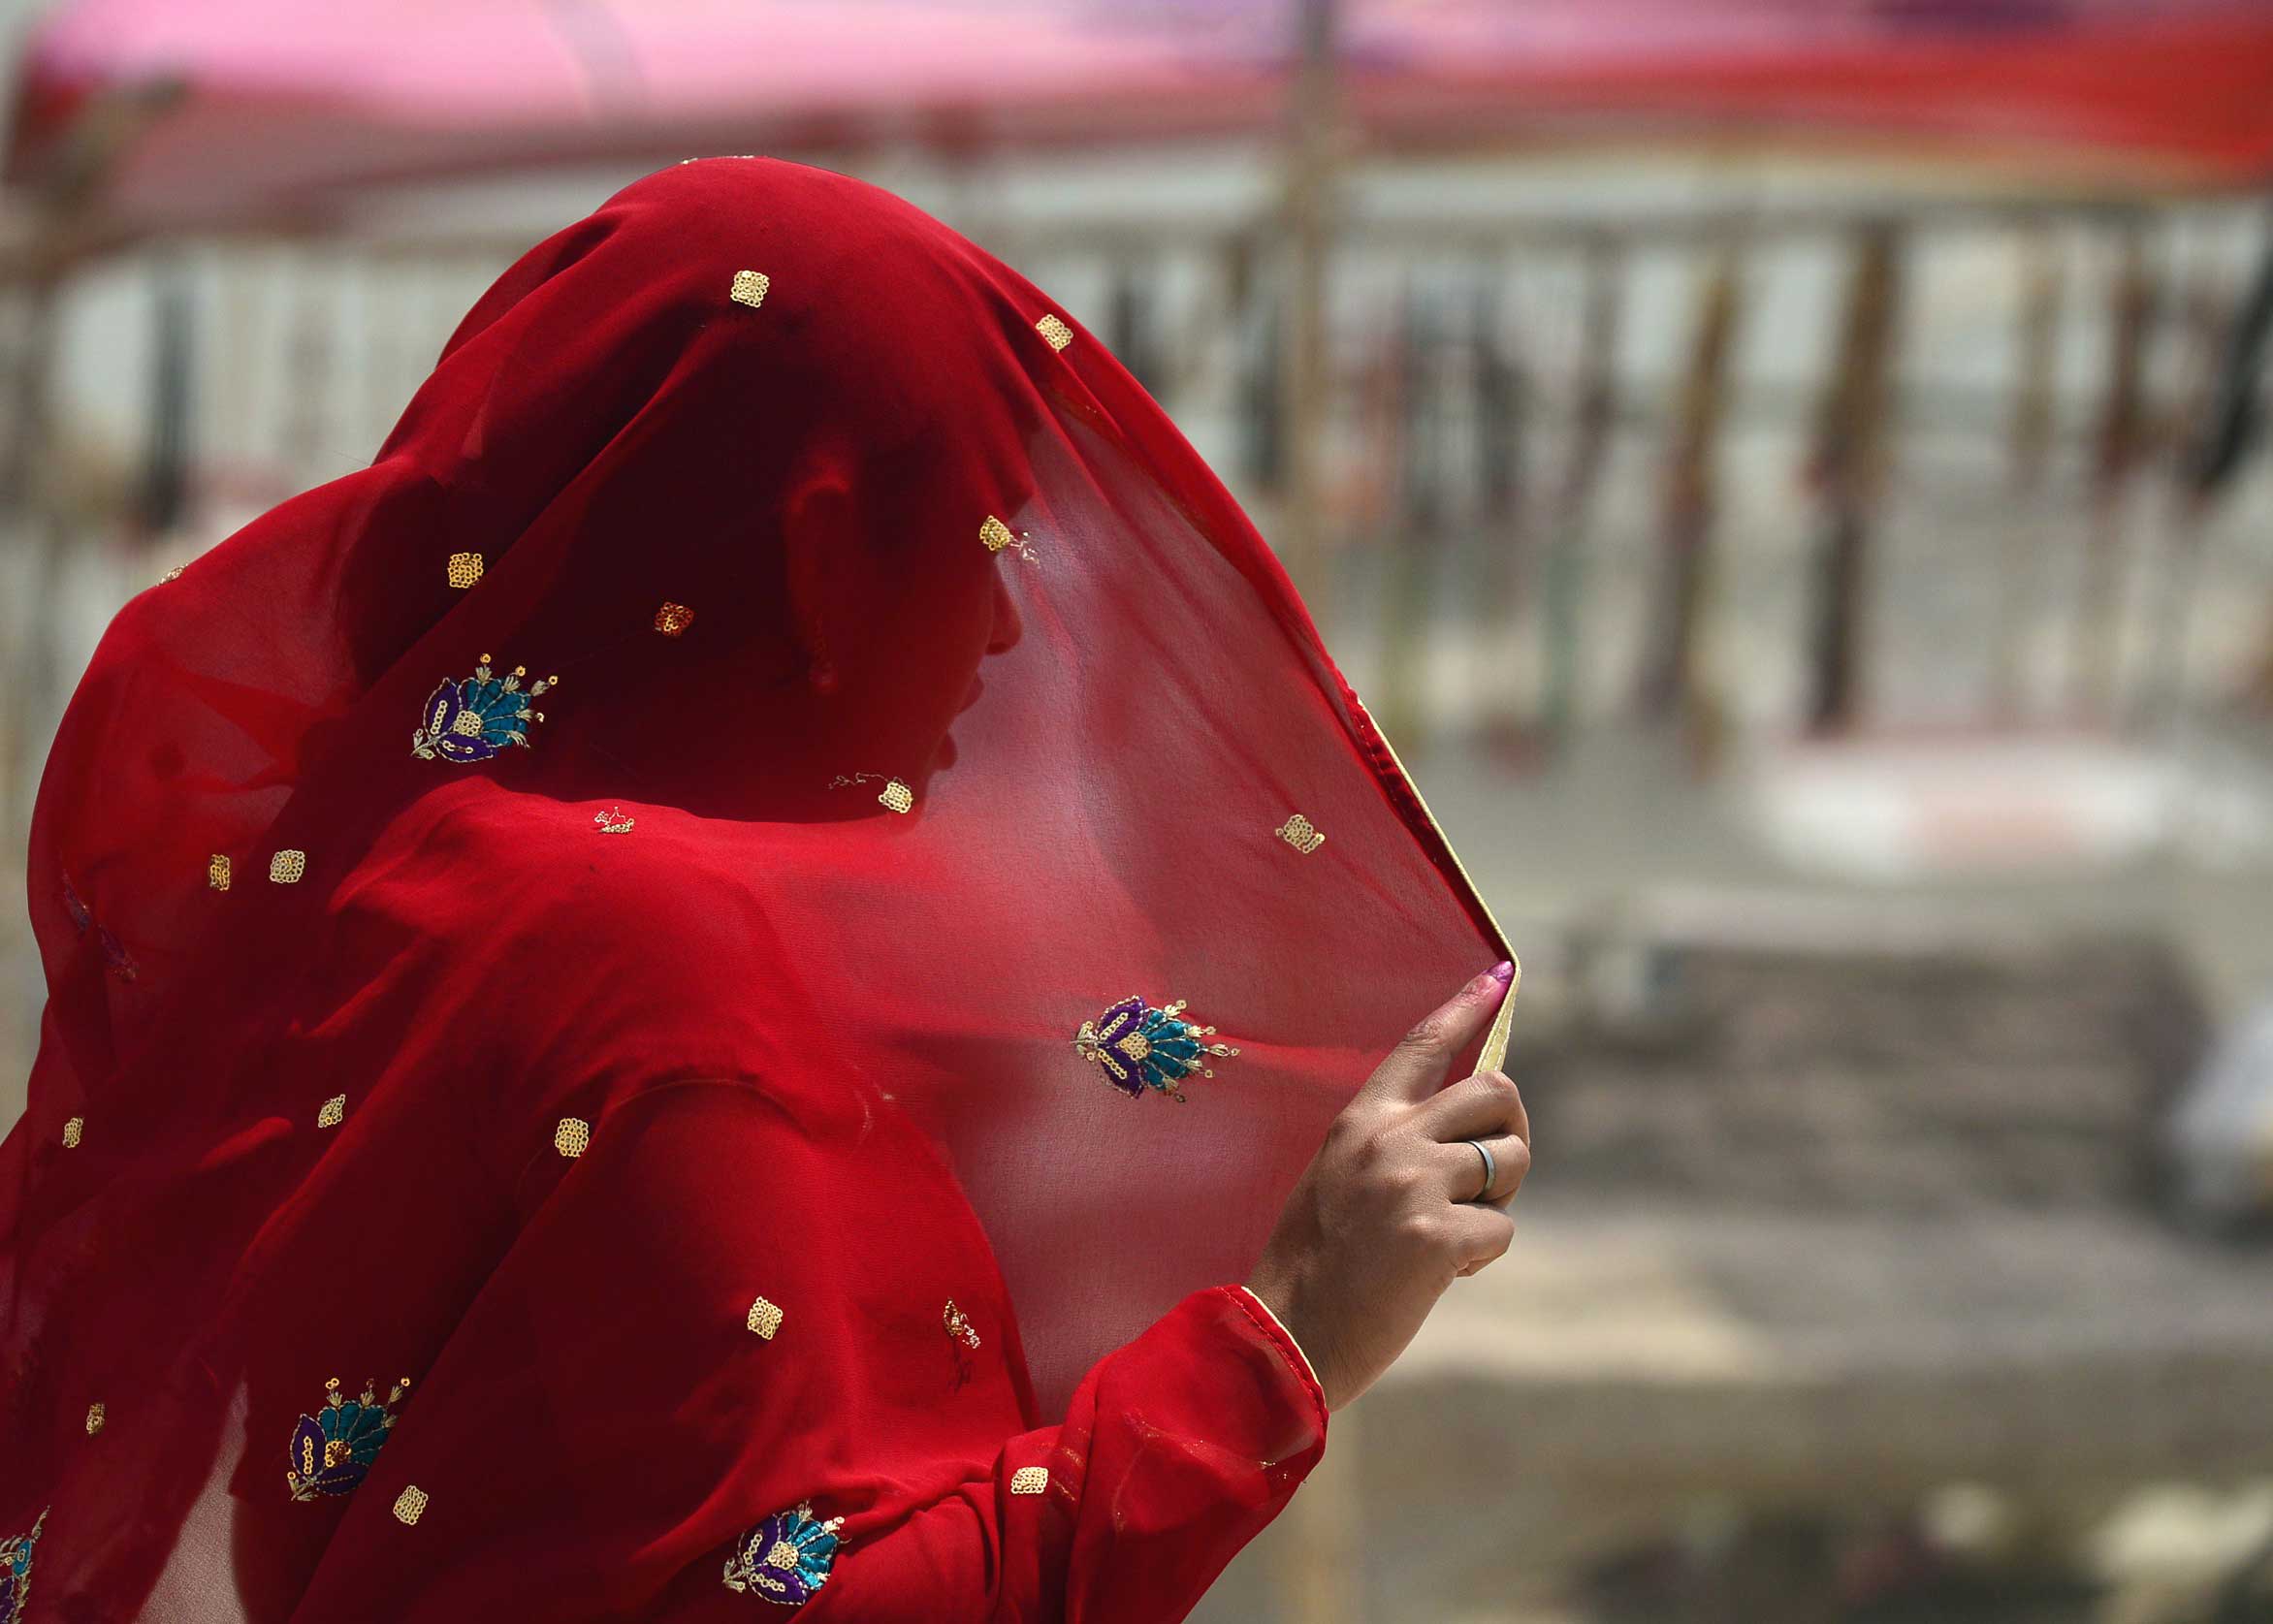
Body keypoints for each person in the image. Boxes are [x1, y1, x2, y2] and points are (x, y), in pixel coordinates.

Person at [0, 158, 1527, 1622]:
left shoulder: (403, 879)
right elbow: (791, 1600)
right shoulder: (642, 948)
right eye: (972, 530)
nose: (1004, 630)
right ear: (820, 552)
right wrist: (1290, 1340)